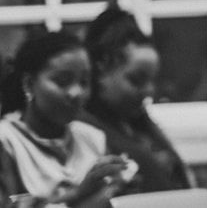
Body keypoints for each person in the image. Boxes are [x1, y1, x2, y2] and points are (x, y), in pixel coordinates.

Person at [0, 31, 136, 207]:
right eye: (62, 81)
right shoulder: (7, 141)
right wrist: (78, 194)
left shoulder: (92, 138)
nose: (76, 93)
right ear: (29, 84)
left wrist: (120, 189)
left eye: (84, 82)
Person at [81, 6, 194, 193]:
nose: (149, 91)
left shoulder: (139, 126)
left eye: (152, 81)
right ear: (101, 67)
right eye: (136, 80)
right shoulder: (84, 133)